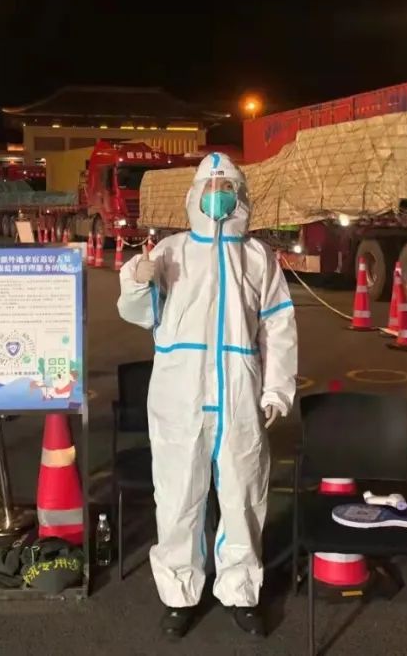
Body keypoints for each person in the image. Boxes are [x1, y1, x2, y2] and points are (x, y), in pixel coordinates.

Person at [117, 152, 298, 639]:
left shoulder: (258, 257)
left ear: (240, 195)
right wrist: (136, 281)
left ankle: (241, 591)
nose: (219, 194)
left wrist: (277, 389)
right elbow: (139, 312)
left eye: (227, 186)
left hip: (239, 392)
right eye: (211, 185)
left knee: (243, 497)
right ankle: (179, 595)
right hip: (180, 395)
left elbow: (278, 327)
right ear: (196, 194)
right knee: (178, 497)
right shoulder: (172, 250)